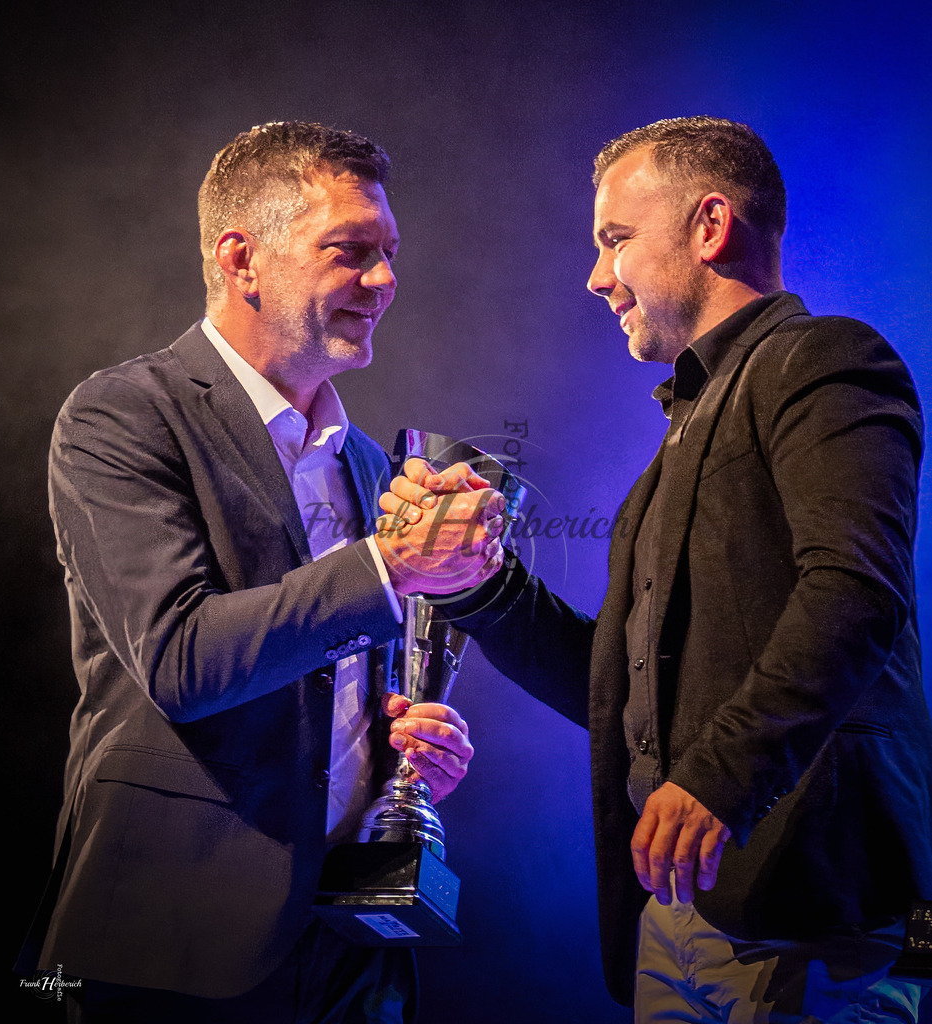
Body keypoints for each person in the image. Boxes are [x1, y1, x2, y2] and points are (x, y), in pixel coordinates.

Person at [380, 116, 932, 1022]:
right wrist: (471, 579)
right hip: (678, 914)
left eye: (615, 239)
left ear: (708, 227)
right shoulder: (676, 444)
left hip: (820, 910)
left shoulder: (826, 359)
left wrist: (717, 778)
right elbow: (615, 690)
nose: (596, 276)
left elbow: (854, 592)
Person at [17, 120, 505, 1023]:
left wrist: (398, 756)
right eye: (350, 251)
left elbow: (328, 680)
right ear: (241, 259)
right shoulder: (122, 415)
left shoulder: (367, 461)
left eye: (390, 254)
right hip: (173, 937)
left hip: (350, 946)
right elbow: (182, 662)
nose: (385, 281)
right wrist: (392, 564)